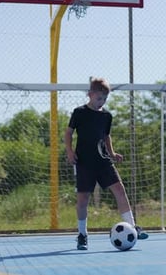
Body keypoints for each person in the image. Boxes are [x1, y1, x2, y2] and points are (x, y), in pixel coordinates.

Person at [64, 77, 149, 250]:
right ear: (90, 94)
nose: (101, 102)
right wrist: (69, 151)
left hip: (103, 161)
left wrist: (112, 153)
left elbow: (106, 136)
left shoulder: (106, 116)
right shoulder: (79, 112)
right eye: (98, 98)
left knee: (119, 189)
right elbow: (68, 133)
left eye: (104, 99)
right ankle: (82, 235)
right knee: (83, 199)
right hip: (84, 163)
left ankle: (132, 227)